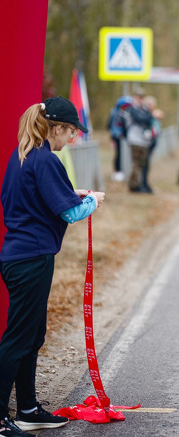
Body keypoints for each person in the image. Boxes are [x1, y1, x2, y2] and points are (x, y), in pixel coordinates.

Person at [0, 97, 105, 437]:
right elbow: (71, 213)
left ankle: (28, 410)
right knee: (18, 340)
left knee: (32, 336)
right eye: (71, 132)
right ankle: (1, 418)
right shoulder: (45, 159)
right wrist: (92, 201)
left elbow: (33, 198)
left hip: (19, 257)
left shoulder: (24, 157)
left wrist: (73, 192)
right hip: (33, 259)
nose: (71, 139)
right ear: (56, 127)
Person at [124, 88, 154, 193]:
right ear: (135, 97)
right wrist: (146, 116)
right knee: (136, 163)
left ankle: (137, 183)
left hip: (144, 141)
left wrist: (147, 115)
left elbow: (149, 118)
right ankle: (133, 185)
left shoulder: (144, 109)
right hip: (135, 140)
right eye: (139, 97)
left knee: (141, 164)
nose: (141, 100)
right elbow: (140, 119)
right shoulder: (131, 109)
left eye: (142, 98)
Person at [107, 96, 132, 182]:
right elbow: (111, 125)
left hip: (124, 137)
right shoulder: (115, 112)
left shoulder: (126, 113)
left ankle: (122, 170)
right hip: (117, 136)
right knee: (118, 154)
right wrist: (116, 135)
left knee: (123, 154)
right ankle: (117, 171)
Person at [141, 96, 162, 193]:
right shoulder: (146, 114)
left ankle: (145, 183)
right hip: (147, 142)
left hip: (152, 141)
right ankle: (143, 184)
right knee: (144, 164)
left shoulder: (150, 114)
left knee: (147, 164)